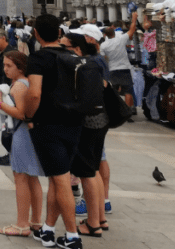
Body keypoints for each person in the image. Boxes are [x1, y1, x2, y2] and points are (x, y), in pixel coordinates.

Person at [24, 14, 84, 249]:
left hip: (48, 125)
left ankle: (72, 236)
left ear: (37, 34)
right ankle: (48, 229)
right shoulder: (74, 56)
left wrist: (29, 116)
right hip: (74, 123)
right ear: (60, 33)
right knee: (57, 178)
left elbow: (35, 93)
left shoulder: (38, 58)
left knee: (61, 181)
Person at [64, 29, 110, 238]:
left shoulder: (84, 65)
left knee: (87, 173)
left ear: (77, 48)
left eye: (65, 47)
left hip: (88, 123)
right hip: (99, 120)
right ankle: (99, 217)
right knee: (94, 171)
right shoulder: (93, 62)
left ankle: (93, 224)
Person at [0, 50, 44, 237]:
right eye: (4, 65)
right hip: (29, 134)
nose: (5, 69)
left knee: (21, 178)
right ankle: (36, 221)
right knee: (31, 177)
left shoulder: (20, 86)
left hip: (23, 134)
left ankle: (22, 224)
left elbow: (21, 113)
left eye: (9, 66)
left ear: (20, 67)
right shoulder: (24, 83)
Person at [99, 11, 137, 109]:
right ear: (114, 33)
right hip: (124, 68)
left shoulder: (103, 45)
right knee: (128, 91)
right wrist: (134, 18)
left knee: (114, 91)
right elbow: (132, 29)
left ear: (105, 35)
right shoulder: (121, 39)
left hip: (112, 69)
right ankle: (128, 112)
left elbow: (104, 59)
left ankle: (116, 110)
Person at [0, 26, 17, 166]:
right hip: (3, 97)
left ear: (3, 38)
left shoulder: (11, 53)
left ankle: (12, 155)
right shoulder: (3, 52)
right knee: (6, 128)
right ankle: (10, 154)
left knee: (8, 130)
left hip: (9, 98)